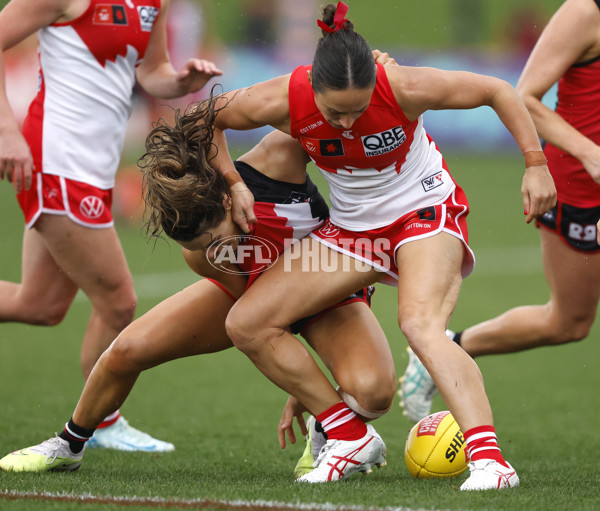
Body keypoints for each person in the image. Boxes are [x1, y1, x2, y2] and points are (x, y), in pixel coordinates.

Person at [201, 1, 556, 489]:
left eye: (359, 108)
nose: (347, 123)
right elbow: (207, 118)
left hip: (423, 212)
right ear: (312, 91)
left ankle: (492, 463)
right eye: (334, 112)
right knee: (247, 322)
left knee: (420, 324)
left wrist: (535, 164)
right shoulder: (282, 97)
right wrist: (233, 183)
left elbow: (497, 90)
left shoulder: (403, 86)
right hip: (352, 230)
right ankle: (349, 436)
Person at [0, 101, 394, 479]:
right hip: (263, 295)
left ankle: (330, 426)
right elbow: (260, 312)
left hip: (326, 283)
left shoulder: (276, 159)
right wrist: (306, 383)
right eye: (199, 248)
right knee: (125, 350)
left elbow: (334, 121)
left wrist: (369, 78)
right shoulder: (201, 255)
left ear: (226, 199)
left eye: (214, 240)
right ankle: (68, 446)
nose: (212, 252)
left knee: (374, 392)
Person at [0, 0, 223, 451]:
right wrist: (6, 132)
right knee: (119, 303)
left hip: (95, 170)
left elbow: (151, 70)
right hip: (55, 164)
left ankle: (100, 421)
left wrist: (181, 81)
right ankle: (101, 421)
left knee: (40, 305)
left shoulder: (151, 3)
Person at [400, 0, 600, 425]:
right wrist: (589, 153)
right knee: (569, 322)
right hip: (580, 185)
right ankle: (451, 346)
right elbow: (525, 96)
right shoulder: (585, 13)